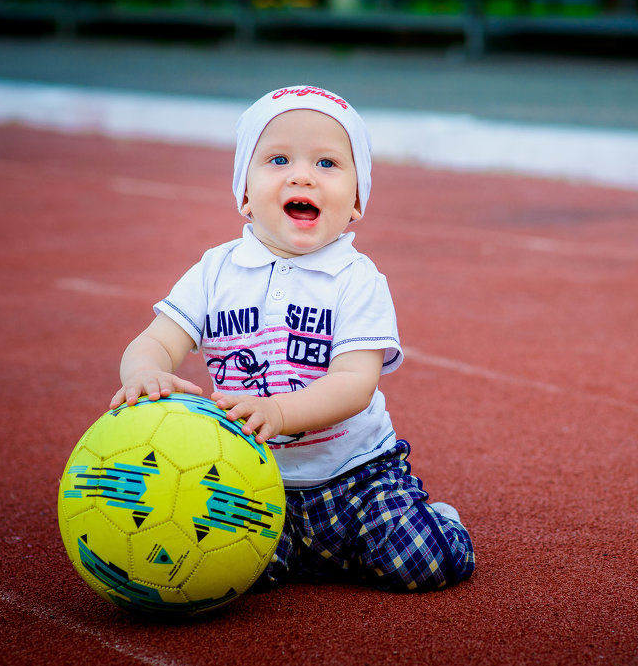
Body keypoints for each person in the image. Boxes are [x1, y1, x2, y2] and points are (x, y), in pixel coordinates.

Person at [109, 85, 475, 591]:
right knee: (219, 574)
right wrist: (144, 373)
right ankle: (306, 557)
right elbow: (155, 340)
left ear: (356, 202)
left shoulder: (357, 278)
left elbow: (355, 383)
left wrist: (280, 413)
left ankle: (440, 523)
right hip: (248, 480)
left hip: (356, 477)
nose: (302, 174)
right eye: (278, 159)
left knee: (420, 566)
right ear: (243, 193)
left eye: (327, 164)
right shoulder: (216, 271)